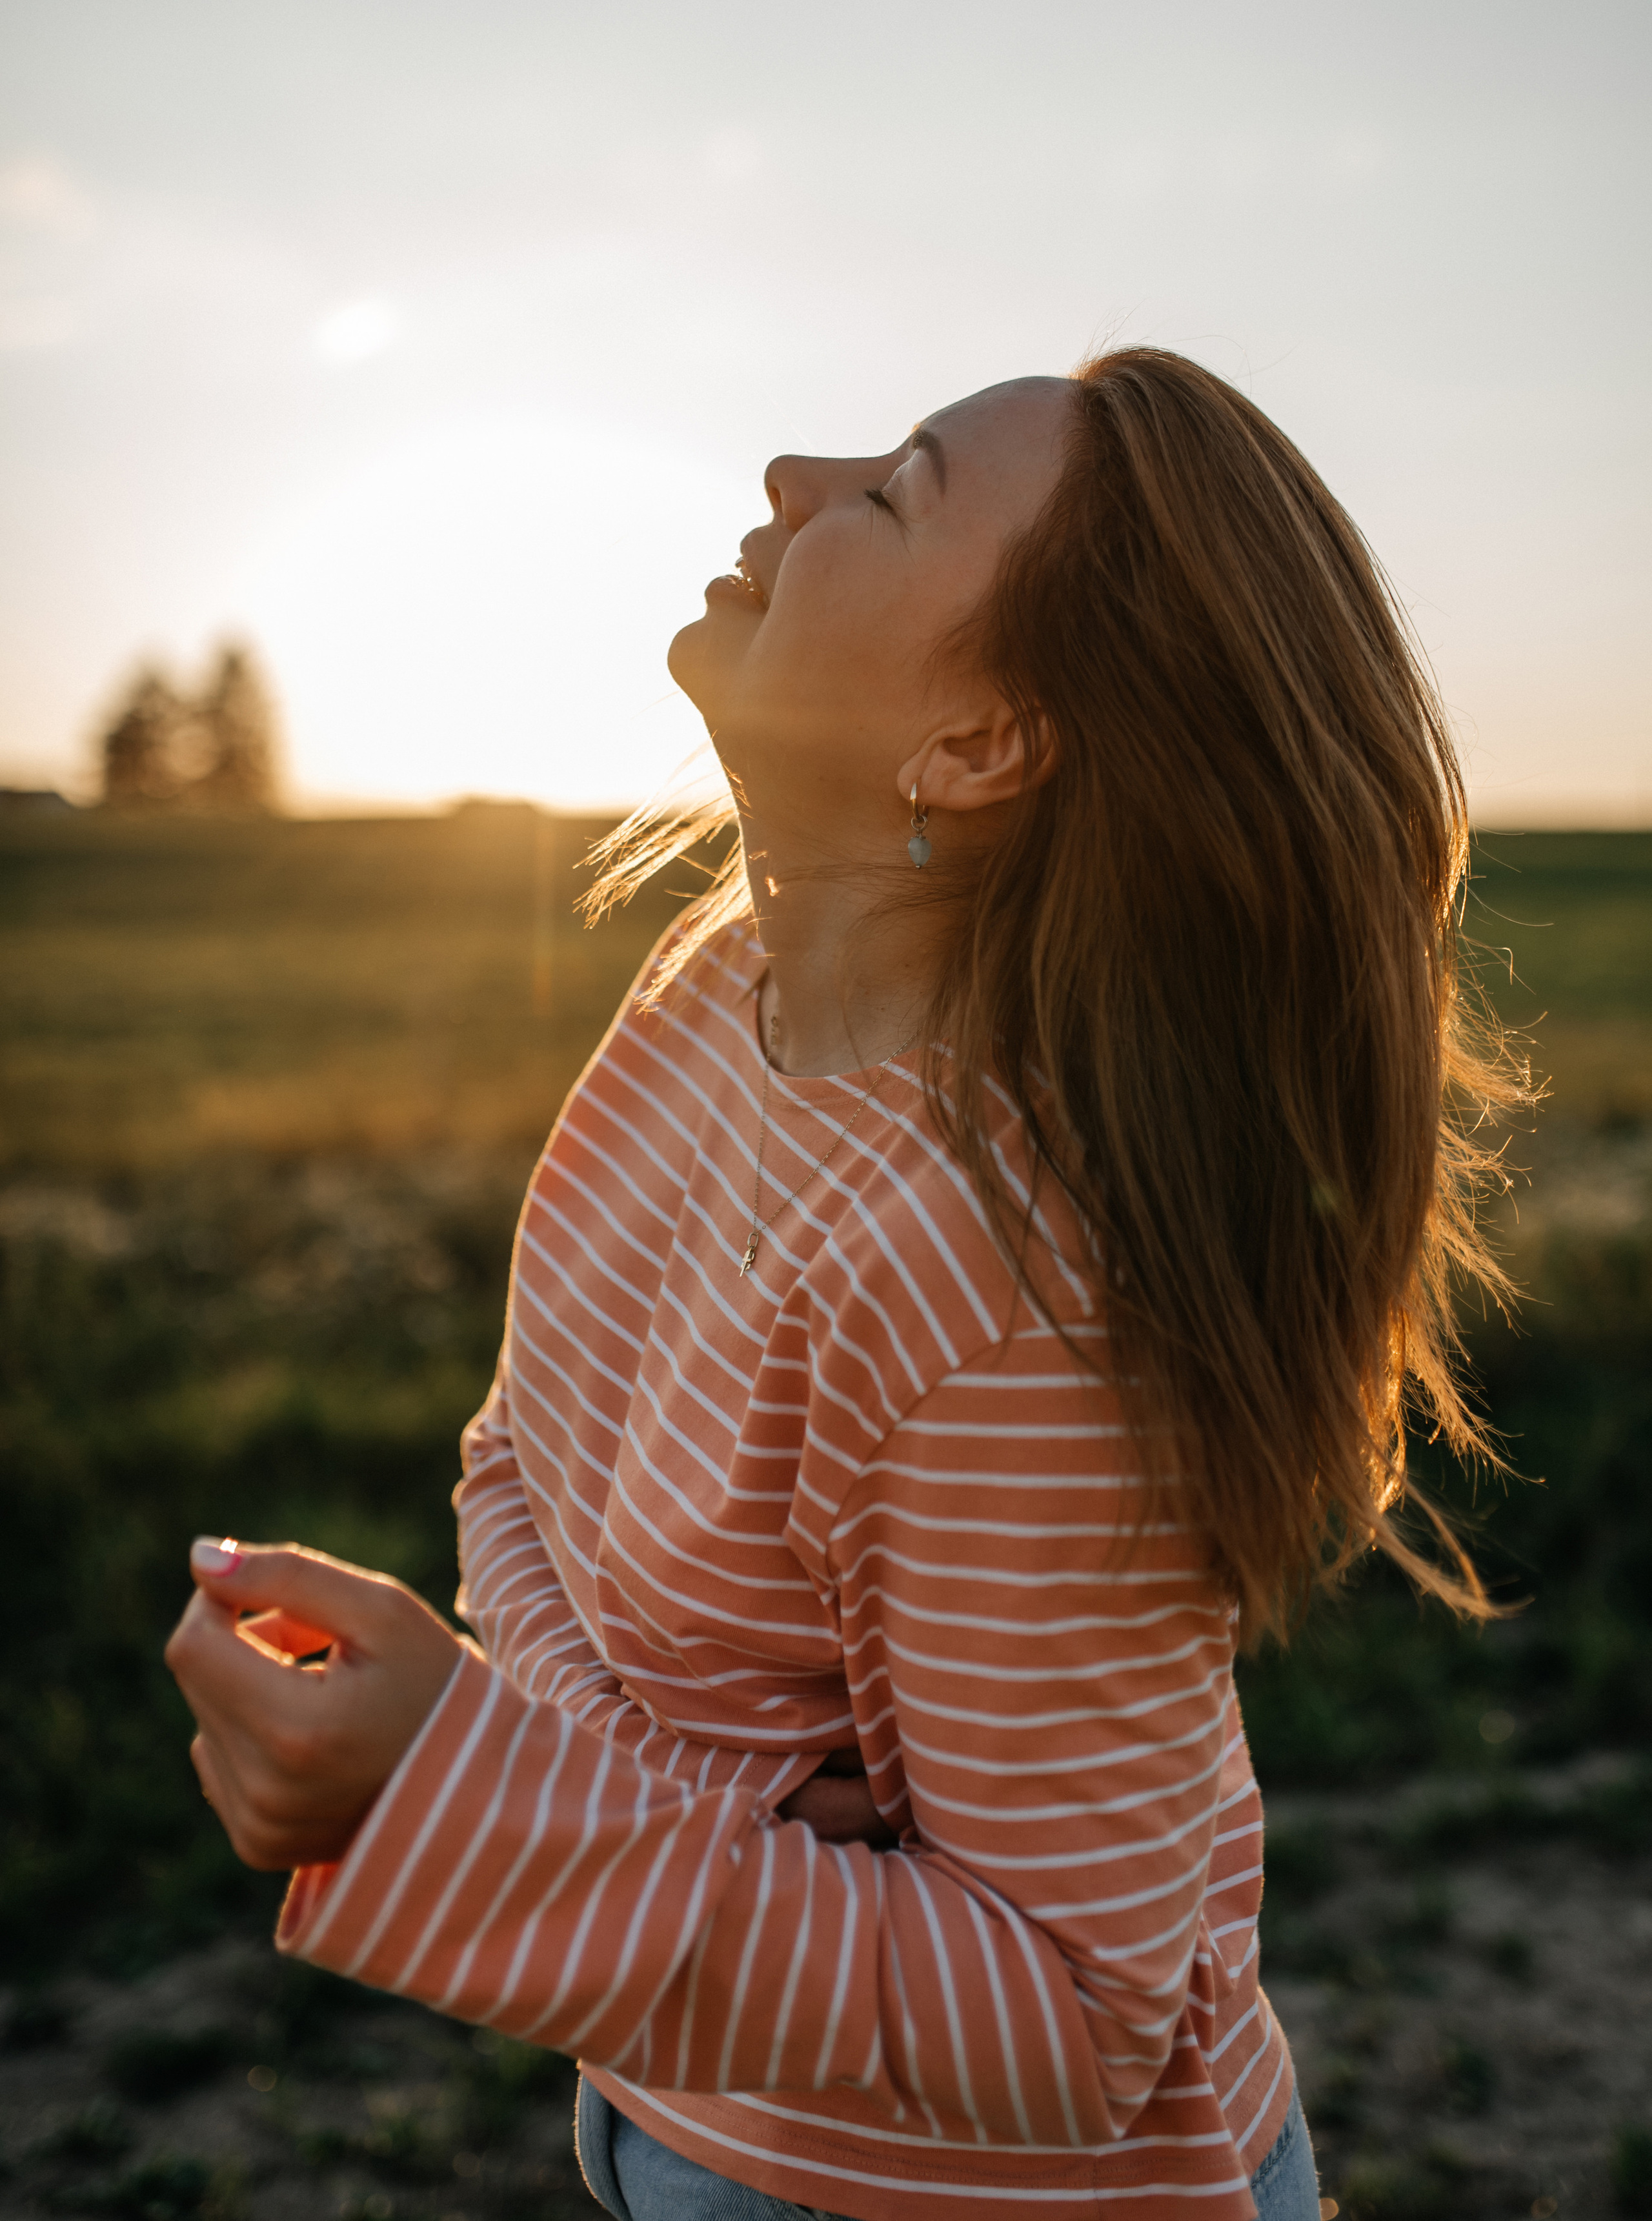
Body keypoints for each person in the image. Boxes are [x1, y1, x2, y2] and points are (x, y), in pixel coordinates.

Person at [166, 350, 1518, 2221]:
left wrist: (472, 1788)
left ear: (978, 745)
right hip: (684, 2127)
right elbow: (519, 1462)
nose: (800, 472)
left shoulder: (1007, 1299)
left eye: (894, 491)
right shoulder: (713, 995)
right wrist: (615, 1782)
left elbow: (1080, 2012)